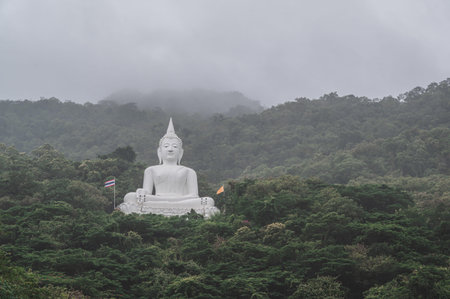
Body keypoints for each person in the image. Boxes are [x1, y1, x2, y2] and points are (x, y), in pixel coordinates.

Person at [118, 118, 219, 217]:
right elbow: (147, 193)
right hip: (157, 199)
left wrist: (175, 200)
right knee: (130, 197)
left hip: (181, 201)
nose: (170, 149)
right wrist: (142, 192)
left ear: (181, 152)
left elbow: (194, 195)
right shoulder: (151, 170)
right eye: (166, 146)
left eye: (175, 146)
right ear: (159, 151)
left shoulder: (189, 171)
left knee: (208, 201)